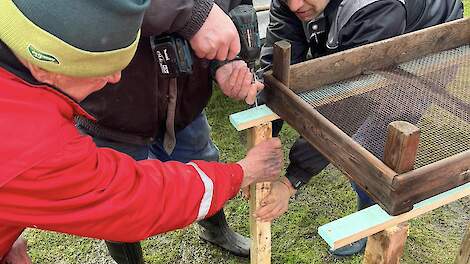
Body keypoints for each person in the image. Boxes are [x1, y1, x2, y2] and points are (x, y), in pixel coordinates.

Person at [0, 0, 283, 262]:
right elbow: (132, 200)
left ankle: (215, 229)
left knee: (199, 154)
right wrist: (241, 173)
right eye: (101, 68)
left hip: (183, 101)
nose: (115, 76)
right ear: (45, 68)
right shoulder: (33, 148)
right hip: (119, 117)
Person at [254, 0, 464, 256]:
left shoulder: (373, 9)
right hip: (369, 37)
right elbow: (277, 70)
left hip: (430, 41)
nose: (295, 4)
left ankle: (369, 223)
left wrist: (291, 180)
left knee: (372, 149)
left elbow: (346, 106)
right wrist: (263, 145)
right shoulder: (291, 3)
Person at [76, 0, 264, 262]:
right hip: (115, 108)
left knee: (202, 161)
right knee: (116, 196)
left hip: (184, 100)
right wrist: (194, 14)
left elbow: (231, 6)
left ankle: (216, 230)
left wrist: (224, 62)